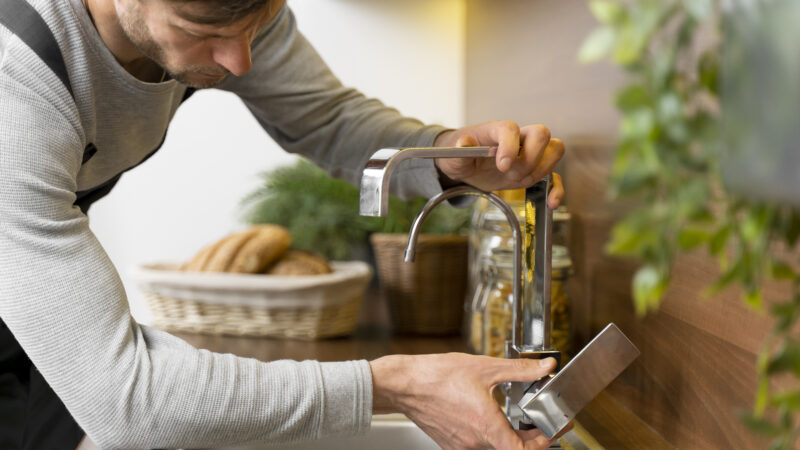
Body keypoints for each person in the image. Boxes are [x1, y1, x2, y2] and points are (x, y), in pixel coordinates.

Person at [0, 0, 568, 448]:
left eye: (259, 22)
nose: (240, 61)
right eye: (202, 29)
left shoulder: (229, 15)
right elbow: (128, 399)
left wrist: (445, 156)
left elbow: (324, 117)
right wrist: (392, 386)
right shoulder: (15, 93)